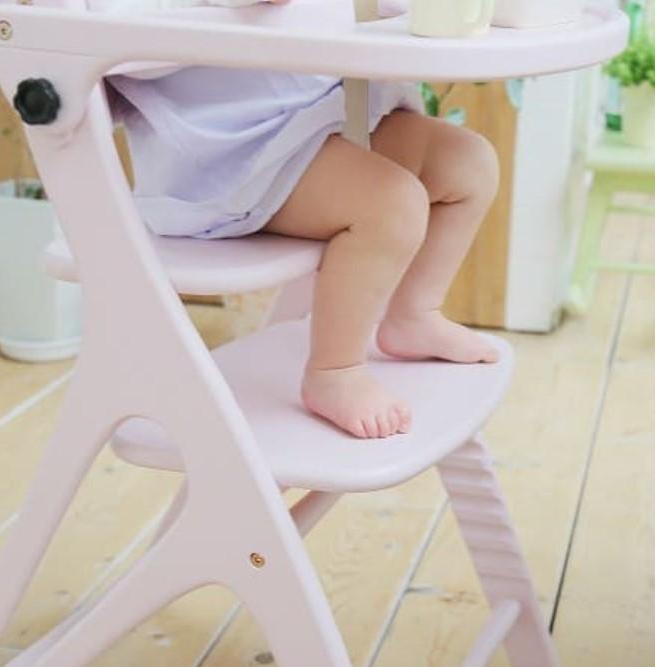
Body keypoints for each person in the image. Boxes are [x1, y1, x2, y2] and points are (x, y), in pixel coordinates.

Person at [106, 0, 500, 439]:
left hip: (334, 108)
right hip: (238, 155)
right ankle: (335, 371)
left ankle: (415, 313)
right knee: (392, 204)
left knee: (468, 163)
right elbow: (113, 39)